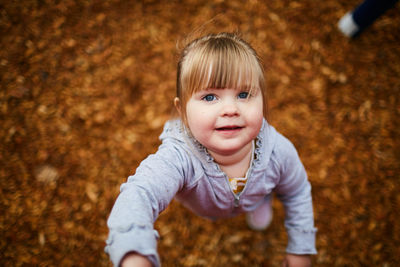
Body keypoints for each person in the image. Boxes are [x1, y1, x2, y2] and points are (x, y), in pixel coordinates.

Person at [105, 32, 317, 267]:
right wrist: (133, 252)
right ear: (183, 111)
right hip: (206, 206)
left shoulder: (278, 151)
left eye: (244, 94)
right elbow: (140, 194)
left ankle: (261, 200)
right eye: (209, 97)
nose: (230, 109)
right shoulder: (179, 158)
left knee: (265, 186)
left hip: (254, 192)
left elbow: (296, 191)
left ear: (264, 102)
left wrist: (301, 248)